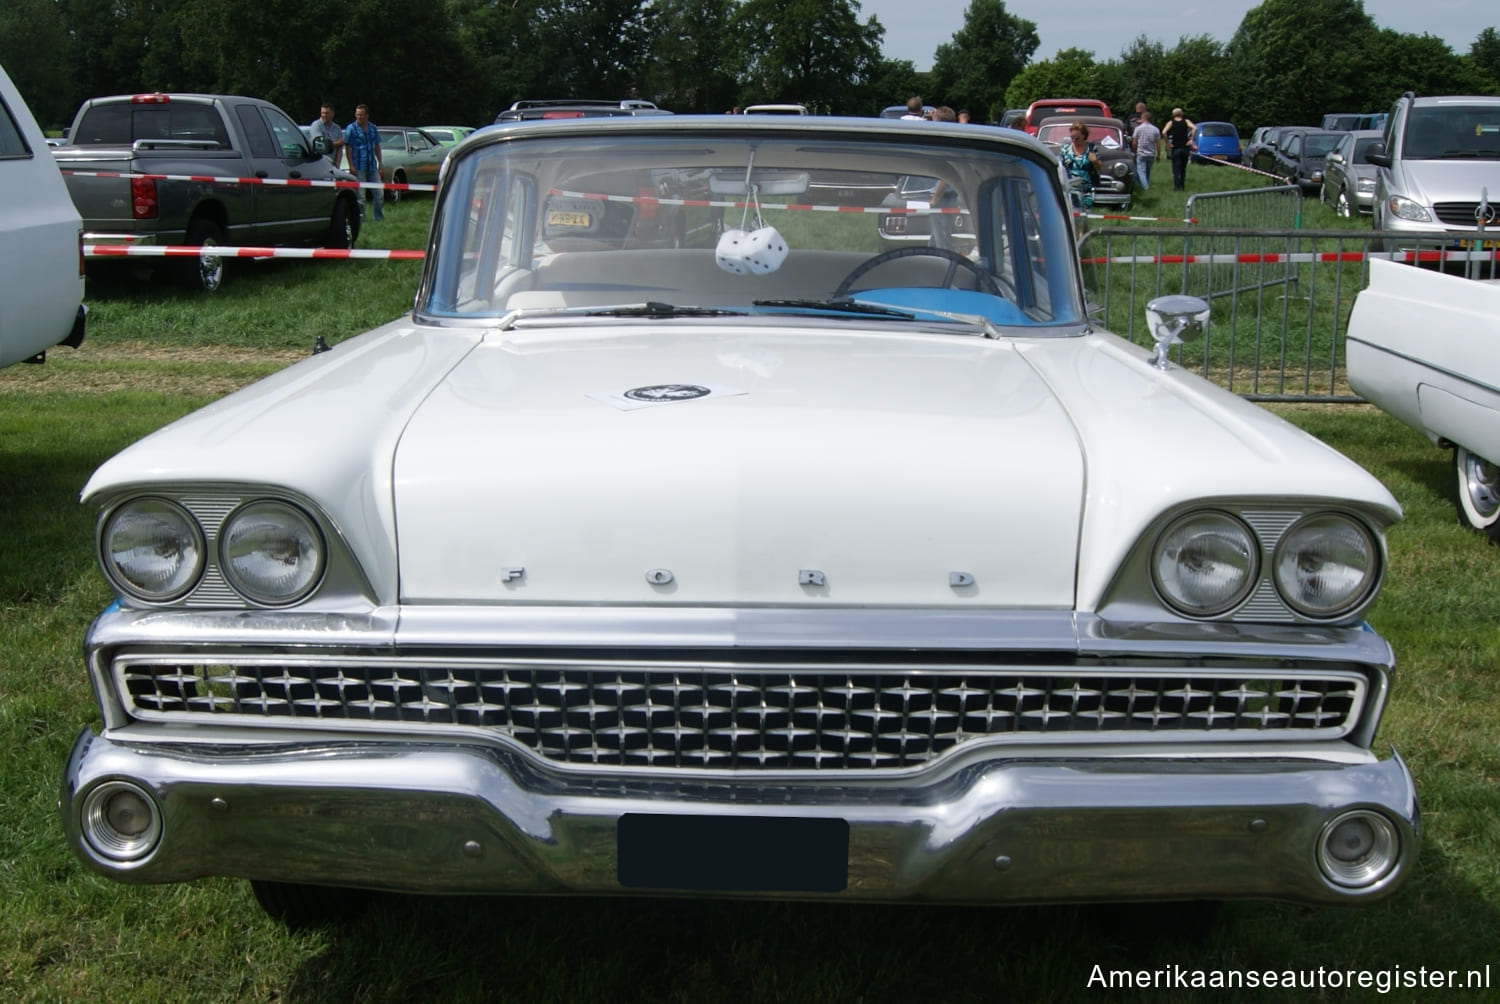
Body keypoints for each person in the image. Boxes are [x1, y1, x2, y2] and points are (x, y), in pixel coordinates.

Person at [344, 104, 384, 222]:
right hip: (358, 166)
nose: (359, 117)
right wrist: (351, 165)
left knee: (379, 194)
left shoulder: (373, 128)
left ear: (367, 115)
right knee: (361, 196)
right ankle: (362, 219)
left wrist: (380, 162)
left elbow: (377, 145)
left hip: (372, 166)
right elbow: (348, 148)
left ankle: (379, 218)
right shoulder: (351, 128)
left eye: (361, 115)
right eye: (357, 115)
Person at [1059, 120, 1100, 232]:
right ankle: (1077, 242)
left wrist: (1095, 161)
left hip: (1086, 188)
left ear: (1084, 136)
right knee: (1074, 217)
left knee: (1086, 216)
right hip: (1071, 188)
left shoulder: (1091, 148)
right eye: (1072, 137)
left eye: (1077, 138)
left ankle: (1085, 237)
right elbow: (1060, 167)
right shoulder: (1065, 150)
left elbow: (1099, 167)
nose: (1074, 140)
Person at [1164, 107, 1196, 191]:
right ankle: (1182, 186)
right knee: (1183, 169)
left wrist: (1167, 143)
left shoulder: (1171, 123)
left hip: (1176, 148)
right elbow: (1194, 128)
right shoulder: (1186, 121)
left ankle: (1176, 187)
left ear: (1173, 114)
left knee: (1175, 169)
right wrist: (1191, 139)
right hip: (1185, 148)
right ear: (1181, 114)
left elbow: (1164, 132)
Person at [1131, 108, 1161, 191]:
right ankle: (1145, 186)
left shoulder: (1138, 129)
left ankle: (1146, 188)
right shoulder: (1156, 129)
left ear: (1143, 118)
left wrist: (1134, 150)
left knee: (1141, 172)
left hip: (1141, 153)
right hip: (1151, 153)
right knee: (1147, 172)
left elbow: (1134, 142)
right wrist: (1158, 154)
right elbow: (1158, 144)